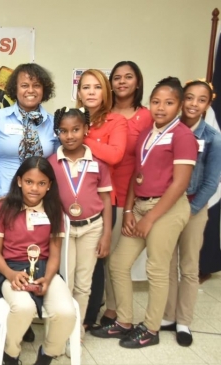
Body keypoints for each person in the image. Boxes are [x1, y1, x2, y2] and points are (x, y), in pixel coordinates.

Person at [91, 77, 198, 348]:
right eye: (156, 102)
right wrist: (129, 210)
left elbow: (180, 183)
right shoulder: (149, 132)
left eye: (169, 103)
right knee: (118, 264)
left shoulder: (183, 135)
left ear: (179, 105)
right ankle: (124, 321)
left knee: (157, 269)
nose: (161, 108)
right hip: (139, 205)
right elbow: (136, 175)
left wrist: (150, 218)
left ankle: (151, 329)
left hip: (166, 209)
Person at [0, 156, 76, 365]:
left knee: (66, 312)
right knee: (23, 307)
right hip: (11, 270)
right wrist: (11, 275)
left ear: (49, 185)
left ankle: (47, 356)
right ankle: (11, 355)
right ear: (19, 181)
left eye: (41, 183)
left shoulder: (54, 209)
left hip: (45, 271)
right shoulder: (3, 208)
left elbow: (55, 255)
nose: (34, 188)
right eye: (29, 182)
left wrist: (48, 278)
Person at [160, 79, 221, 346]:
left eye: (201, 100)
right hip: (167, 207)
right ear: (182, 99)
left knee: (189, 267)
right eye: (190, 98)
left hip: (194, 209)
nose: (194, 104)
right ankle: (167, 316)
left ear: (208, 104)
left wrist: (191, 210)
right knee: (166, 265)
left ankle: (183, 321)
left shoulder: (212, 137)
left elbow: (211, 182)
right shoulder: (168, 130)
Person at [48, 107, 112, 335]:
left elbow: (106, 199)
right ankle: (62, 330)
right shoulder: (51, 163)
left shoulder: (98, 162)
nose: (69, 136)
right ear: (57, 133)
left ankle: (77, 331)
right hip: (64, 230)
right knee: (65, 280)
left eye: (75, 129)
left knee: (84, 284)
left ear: (85, 129)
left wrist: (106, 234)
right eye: (63, 131)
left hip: (92, 228)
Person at [75, 68, 129, 329]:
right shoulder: (72, 117)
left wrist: (82, 137)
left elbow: (115, 155)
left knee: (95, 262)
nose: (91, 92)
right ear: (79, 92)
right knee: (72, 261)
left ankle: (87, 318)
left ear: (106, 92)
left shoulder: (116, 121)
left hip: (103, 201)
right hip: (72, 200)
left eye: (97, 87)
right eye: (86, 87)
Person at [0, 63, 58, 213]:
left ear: (44, 89)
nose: (30, 90)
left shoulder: (53, 123)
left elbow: (57, 165)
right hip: (3, 198)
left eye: (36, 85)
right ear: (15, 89)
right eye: (24, 85)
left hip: (40, 203)